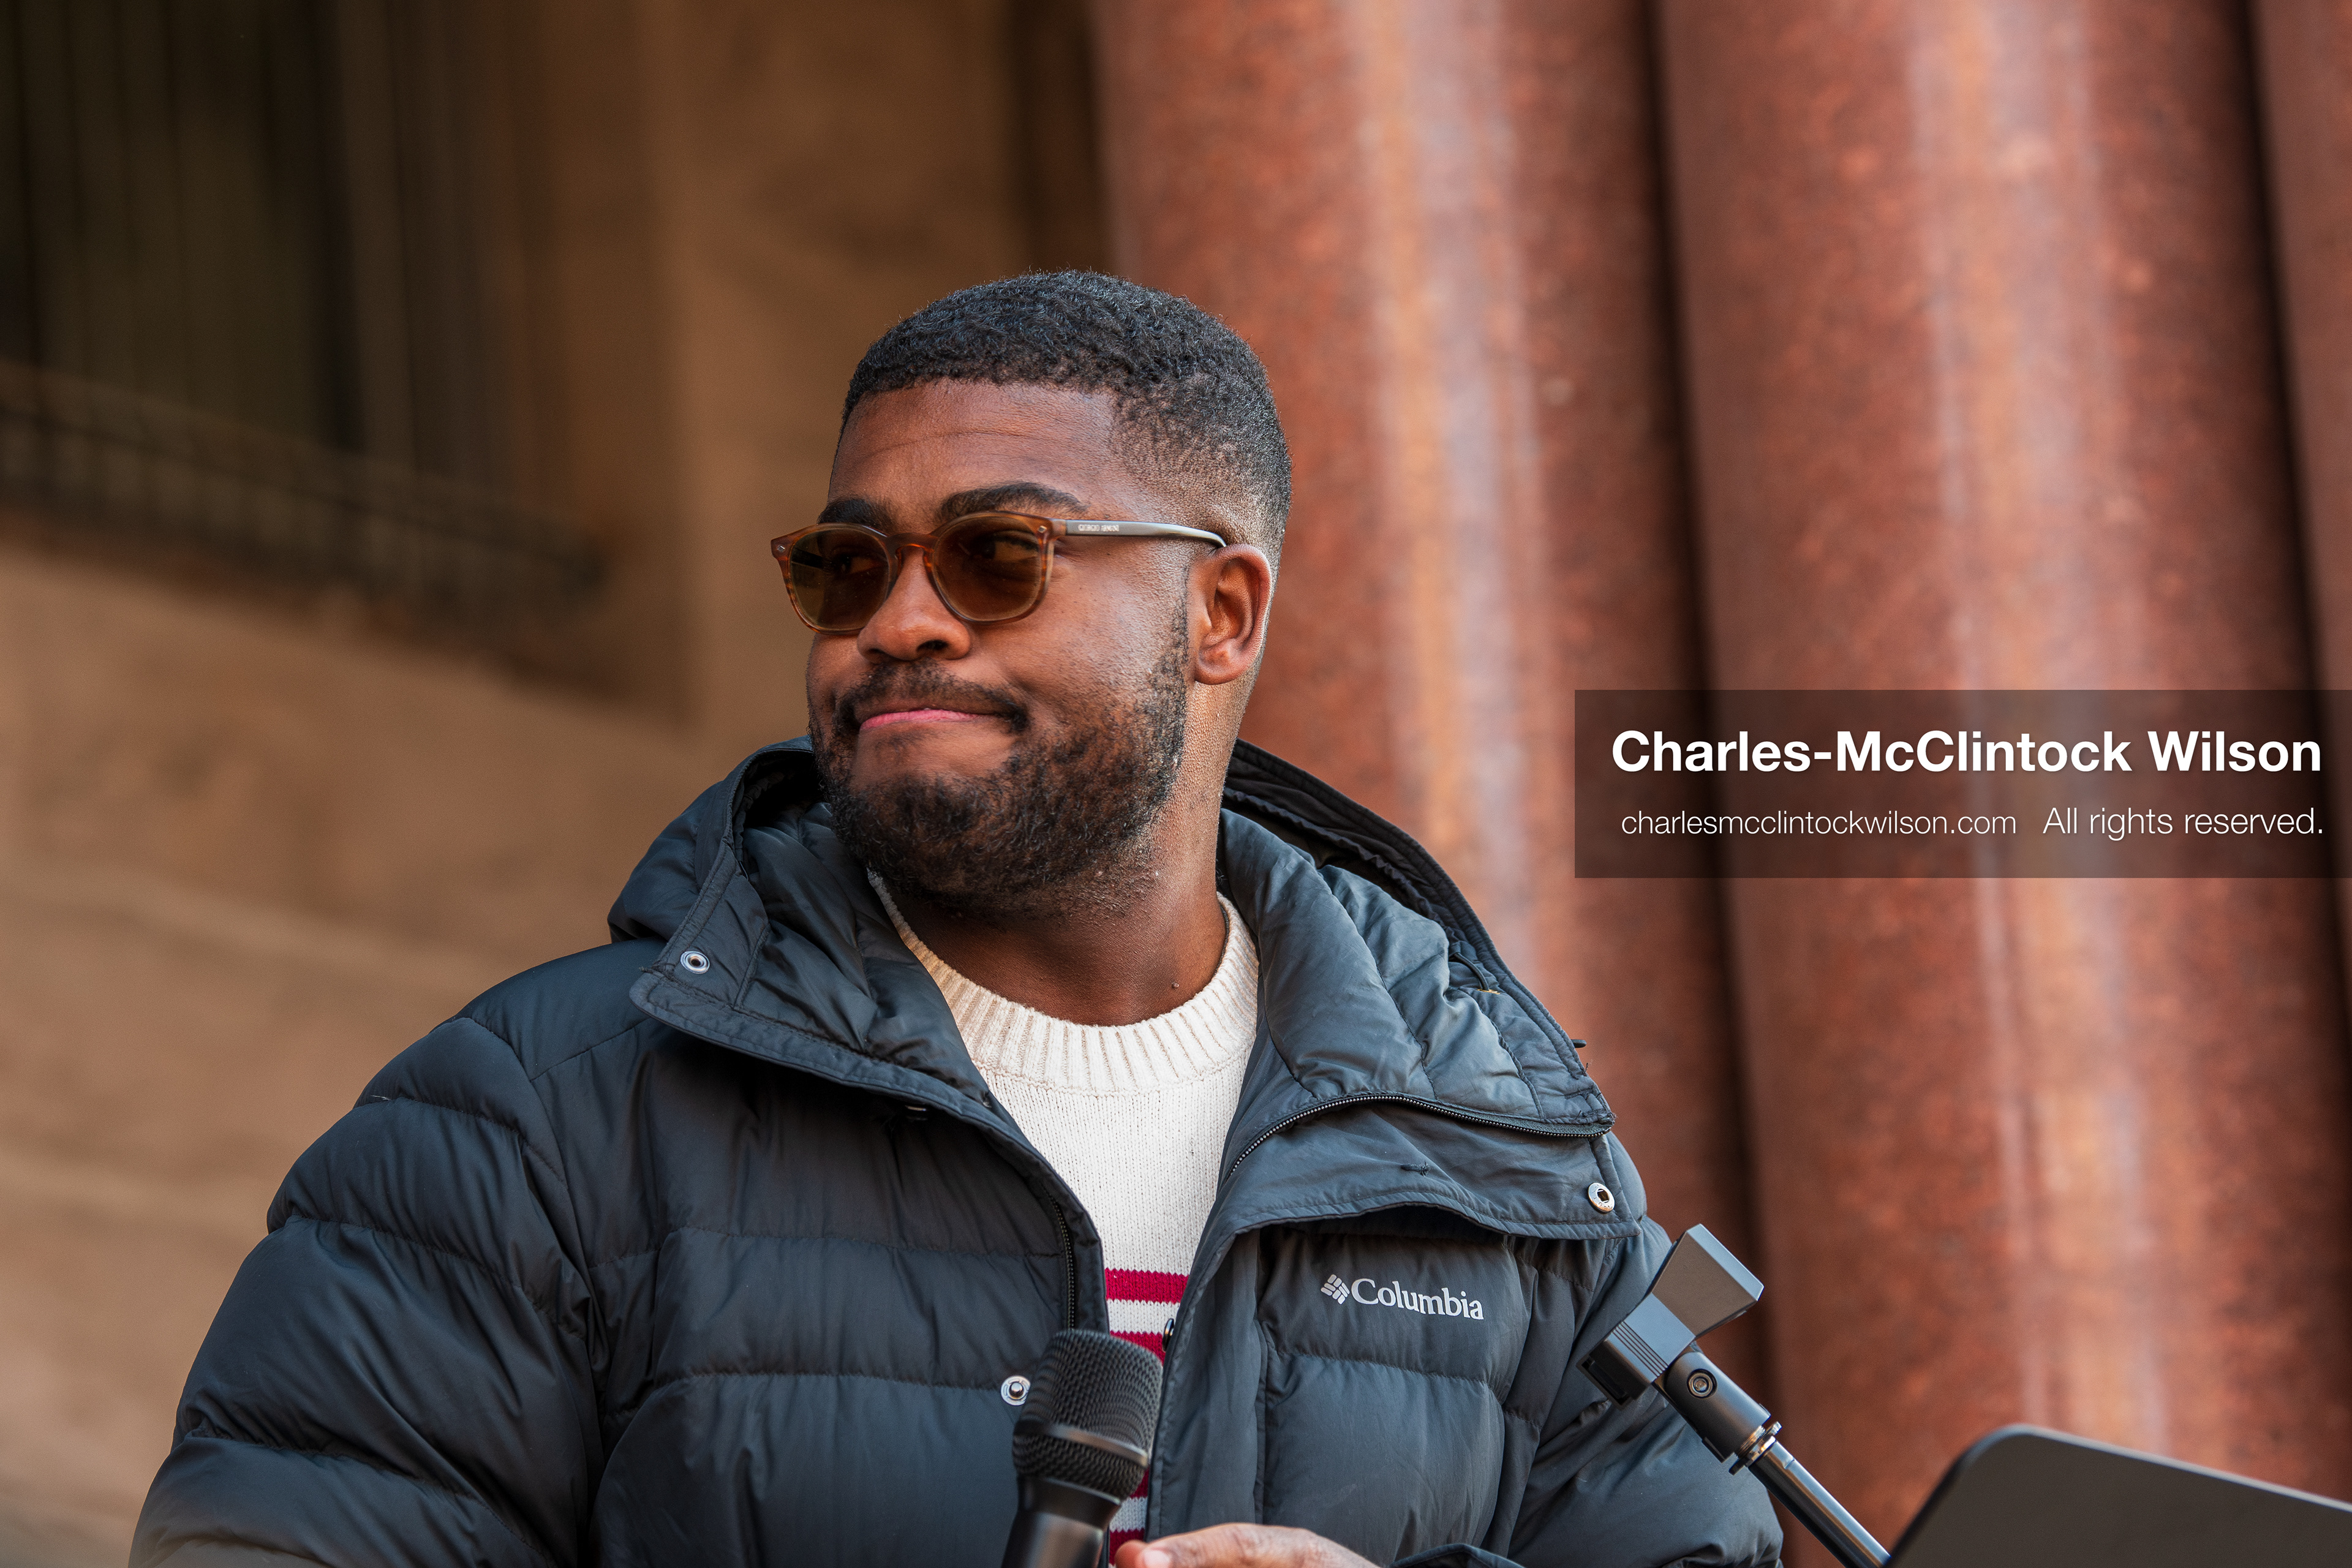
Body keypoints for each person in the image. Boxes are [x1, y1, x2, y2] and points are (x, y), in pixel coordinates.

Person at [134, 273, 1778, 1568]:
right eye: (848, 567)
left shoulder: (1508, 1169)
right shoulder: (523, 1127)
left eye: (999, 556)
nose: (901, 623)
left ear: (1220, 612)